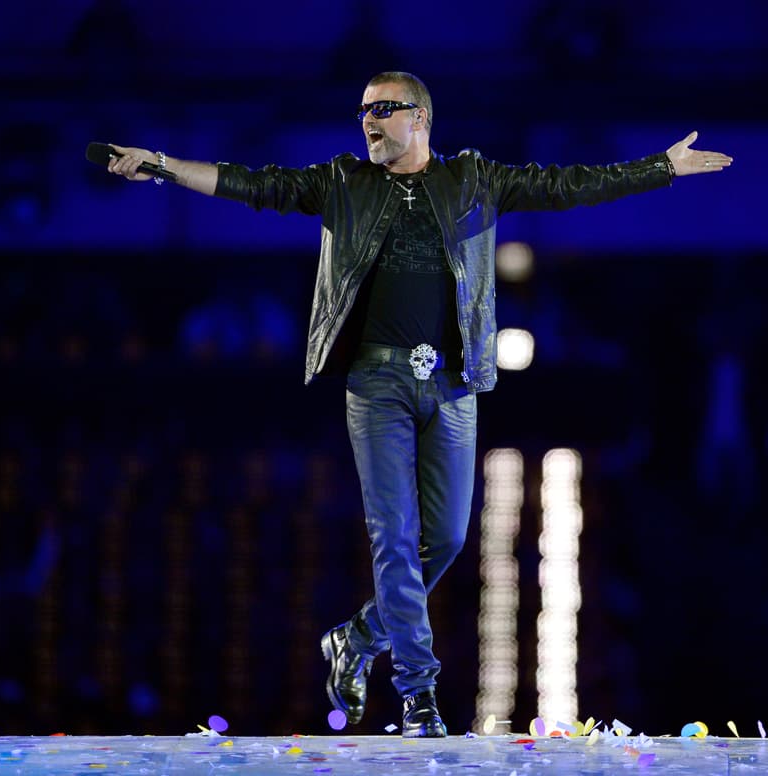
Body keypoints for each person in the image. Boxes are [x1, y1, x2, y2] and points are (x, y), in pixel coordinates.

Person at [106, 71, 733, 738]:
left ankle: (357, 637)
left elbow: (568, 185)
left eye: (382, 109)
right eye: (362, 111)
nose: (368, 121)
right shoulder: (343, 182)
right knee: (395, 537)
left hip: (453, 383)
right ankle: (419, 696)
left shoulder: (473, 179)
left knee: (451, 538)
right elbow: (251, 183)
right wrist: (164, 165)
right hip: (376, 385)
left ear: (420, 118)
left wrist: (661, 168)